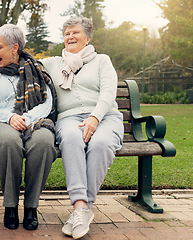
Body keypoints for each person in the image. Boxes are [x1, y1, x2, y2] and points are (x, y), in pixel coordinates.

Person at [39, 17, 124, 239]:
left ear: (87, 38)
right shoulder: (54, 63)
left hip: (105, 116)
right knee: (72, 138)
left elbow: (108, 92)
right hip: (69, 118)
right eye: (67, 33)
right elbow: (21, 59)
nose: (70, 36)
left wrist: (95, 117)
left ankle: (81, 209)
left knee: (101, 143)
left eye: (75, 32)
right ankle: (80, 206)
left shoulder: (102, 61)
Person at [0, 24, 57, 231]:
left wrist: (27, 118)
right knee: (8, 142)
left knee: (44, 143)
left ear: (14, 48)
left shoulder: (36, 70)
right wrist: (9, 117)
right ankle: (10, 206)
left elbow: (46, 102)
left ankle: (31, 207)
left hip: (32, 121)